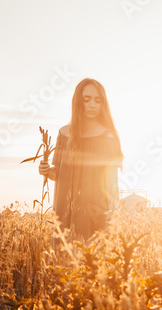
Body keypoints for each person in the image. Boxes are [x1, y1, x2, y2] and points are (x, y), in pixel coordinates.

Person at [39, 78, 124, 241]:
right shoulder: (64, 135)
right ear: (78, 101)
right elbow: (59, 175)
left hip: (95, 214)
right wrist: (46, 171)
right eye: (87, 99)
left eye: (98, 101)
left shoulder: (108, 138)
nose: (93, 105)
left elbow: (111, 182)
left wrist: (112, 217)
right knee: (63, 262)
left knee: (91, 262)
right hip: (63, 214)